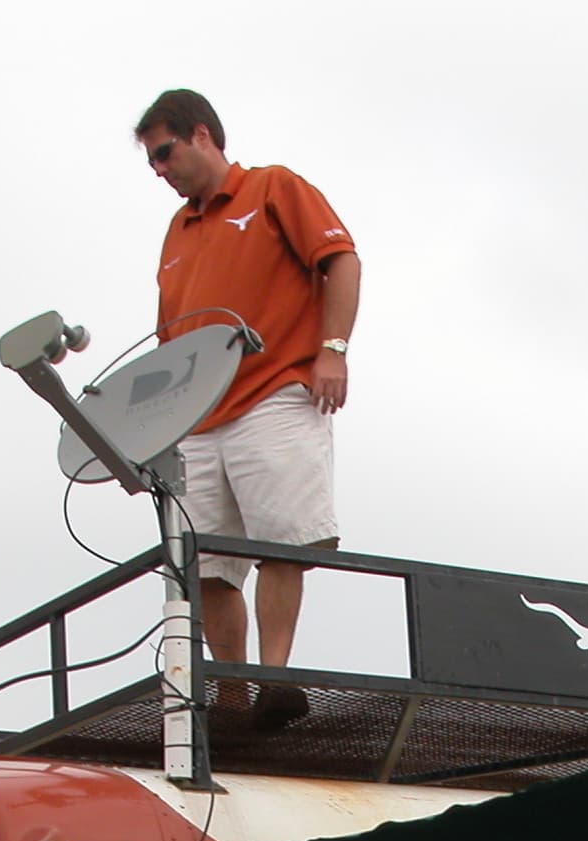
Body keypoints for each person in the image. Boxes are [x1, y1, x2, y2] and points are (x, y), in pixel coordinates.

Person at [133, 88, 361, 729]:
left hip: (274, 392)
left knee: (281, 542)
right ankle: (233, 695)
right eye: (151, 161)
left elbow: (341, 260)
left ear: (202, 135)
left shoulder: (272, 187)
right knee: (203, 562)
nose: (160, 169)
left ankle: (274, 678)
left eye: (165, 153)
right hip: (197, 417)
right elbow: (170, 337)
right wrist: (156, 424)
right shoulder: (177, 230)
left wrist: (333, 350)